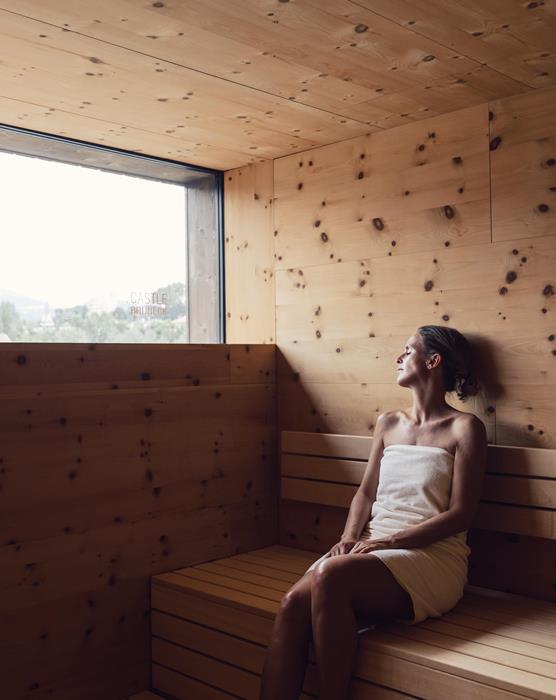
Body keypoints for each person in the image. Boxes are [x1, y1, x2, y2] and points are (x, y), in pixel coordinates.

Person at [258, 325, 488, 700]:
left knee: (330, 576)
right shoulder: (388, 423)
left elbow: (461, 514)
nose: (398, 357)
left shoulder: (465, 428)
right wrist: (350, 538)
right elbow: (365, 493)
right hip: (372, 548)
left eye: (408, 349)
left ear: (433, 361)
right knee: (291, 605)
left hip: (432, 557)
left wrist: (388, 540)